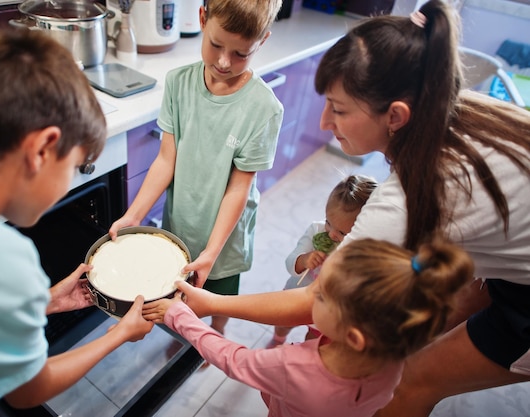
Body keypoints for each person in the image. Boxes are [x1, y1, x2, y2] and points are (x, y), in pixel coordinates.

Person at [145, 1, 530, 415]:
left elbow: (316, 296)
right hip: (511, 270)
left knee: (412, 381)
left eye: (339, 109)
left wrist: (209, 304)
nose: (325, 122)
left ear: (397, 115)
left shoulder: (413, 198)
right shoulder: (456, 110)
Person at [0, 29, 154, 417]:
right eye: (73, 167)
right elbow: (26, 392)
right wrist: (119, 334)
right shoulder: (2, 259)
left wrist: (46, 302)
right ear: (41, 150)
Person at [145, 237, 473, 417]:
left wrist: (180, 316)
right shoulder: (392, 358)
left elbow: (234, 359)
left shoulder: (295, 367)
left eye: (319, 295)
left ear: (355, 336)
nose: (309, 295)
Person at [109, 0, 284, 335]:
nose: (223, 61)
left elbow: (238, 187)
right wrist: (133, 215)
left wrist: (212, 252)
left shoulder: (264, 108)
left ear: (261, 42)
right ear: (203, 19)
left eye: (240, 54)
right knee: (181, 298)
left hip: (224, 239)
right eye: (216, 45)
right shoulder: (178, 84)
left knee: (218, 297)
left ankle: (216, 333)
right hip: (182, 221)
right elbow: (166, 159)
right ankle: (186, 331)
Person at [268, 174, 378, 348]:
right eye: (329, 222)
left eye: (342, 233)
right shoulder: (316, 230)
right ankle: (277, 339)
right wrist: (304, 260)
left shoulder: (359, 249)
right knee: (283, 323)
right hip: (295, 293)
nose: (332, 234)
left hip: (324, 307)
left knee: (313, 341)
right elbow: (290, 263)